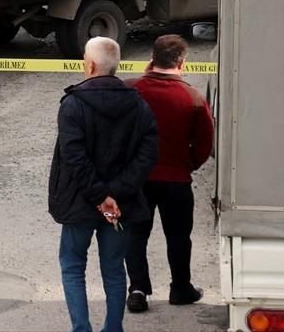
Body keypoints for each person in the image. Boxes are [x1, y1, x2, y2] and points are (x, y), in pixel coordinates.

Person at [49, 36, 158, 332]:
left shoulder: (73, 105)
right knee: (113, 268)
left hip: (79, 203)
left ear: (91, 64)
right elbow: (147, 154)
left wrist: (99, 196)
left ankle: (81, 328)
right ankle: (113, 328)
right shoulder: (138, 105)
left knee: (73, 265)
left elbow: (74, 156)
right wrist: (116, 193)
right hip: (120, 206)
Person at [123, 34, 214, 314]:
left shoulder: (131, 90)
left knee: (136, 233)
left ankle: (137, 290)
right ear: (183, 62)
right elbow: (204, 145)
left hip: (138, 178)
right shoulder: (194, 98)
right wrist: (187, 165)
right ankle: (180, 288)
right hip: (176, 180)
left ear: (152, 59)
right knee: (178, 235)